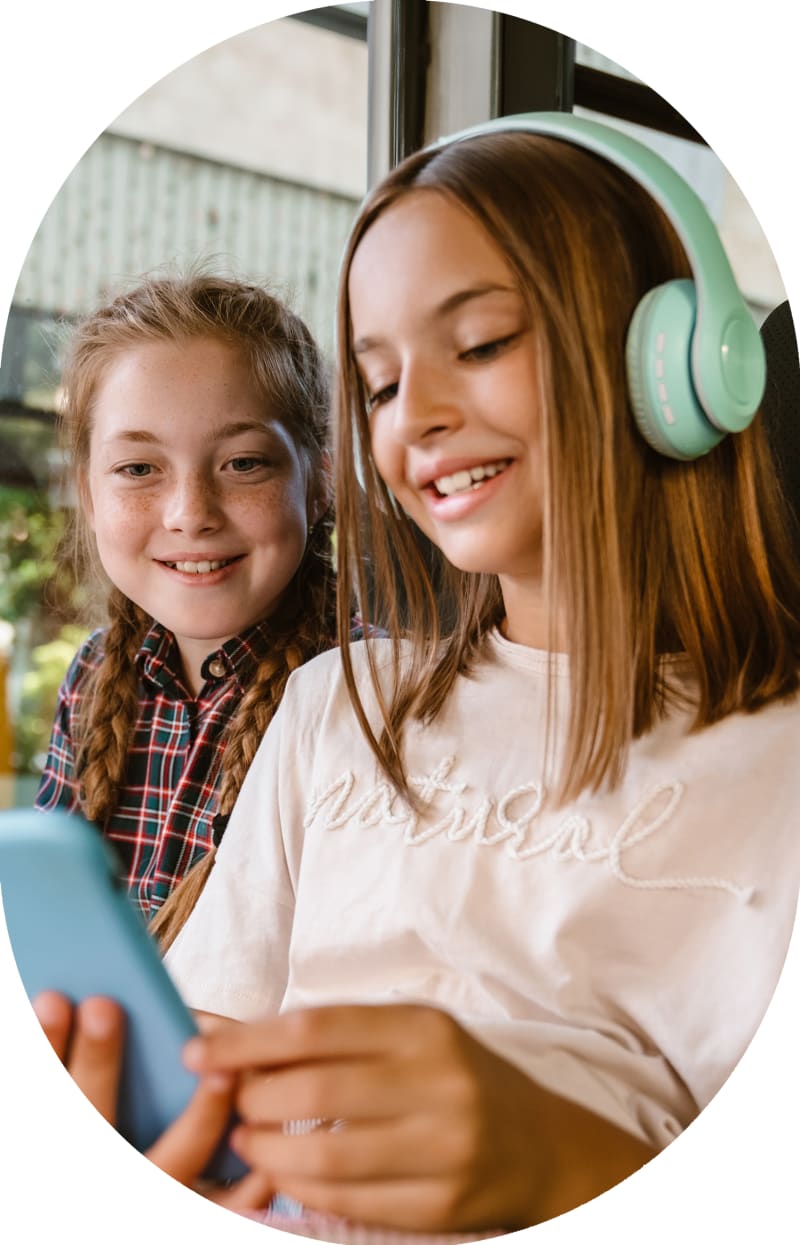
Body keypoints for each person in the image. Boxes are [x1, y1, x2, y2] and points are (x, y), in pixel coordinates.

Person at [37, 116, 800, 1235]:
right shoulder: (336, 707)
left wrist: (566, 1163)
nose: (419, 417)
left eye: (481, 343)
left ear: (675, 366)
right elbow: (211, 1041)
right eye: (381, 383)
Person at [34, 273, 336, 923]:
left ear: (319, 479)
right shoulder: (92, 677)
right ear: (89, 495)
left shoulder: (369, 693)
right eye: (139, 469)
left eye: (244, 462)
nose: (190, 513)